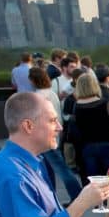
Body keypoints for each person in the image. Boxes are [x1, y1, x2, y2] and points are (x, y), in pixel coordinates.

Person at [29, 67, 82, 201]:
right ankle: (52, 196)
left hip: (45, 135)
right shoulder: (51, 93)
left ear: (33, 80)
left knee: (59, 168)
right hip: (56, 132)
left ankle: (76, 195)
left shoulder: (36, 97)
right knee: (51, 167)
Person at [73, 72, 109, 179]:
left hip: (88, 147)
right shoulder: (106, 103)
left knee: (95, 181)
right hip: (108, 145)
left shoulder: (76, 107)